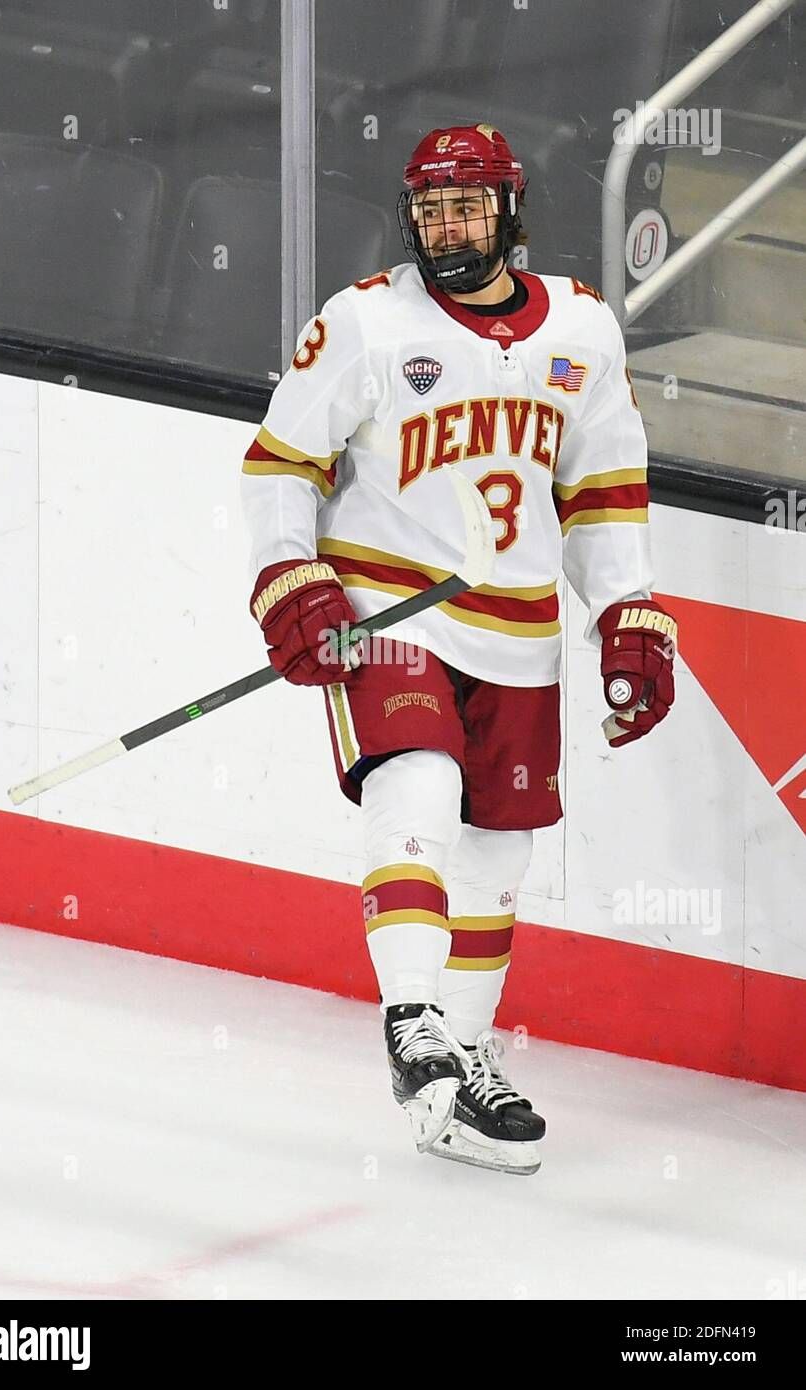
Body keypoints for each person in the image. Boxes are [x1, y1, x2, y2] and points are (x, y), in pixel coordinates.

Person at [240, 124, 676, 1175]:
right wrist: (291, 576)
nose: (448, 228)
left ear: (511, 213)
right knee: (421, 783)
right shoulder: (363, 323)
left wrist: (627, 609)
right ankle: (415, 1023)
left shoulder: (582, 329)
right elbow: (279, 461)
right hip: (389, 614)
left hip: (520, 632)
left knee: (497, 855)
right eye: (431, 209)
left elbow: (602, 489)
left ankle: (464, 1069)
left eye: (468, 207)